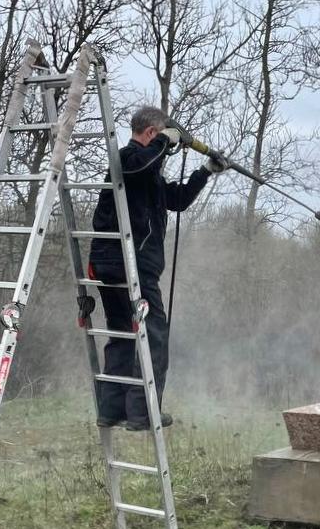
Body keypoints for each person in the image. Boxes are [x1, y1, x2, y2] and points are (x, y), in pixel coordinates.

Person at [86, 105, 227, 430]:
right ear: (151, 133)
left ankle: (113, 409)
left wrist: (205, 170)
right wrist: (168, 139)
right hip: (129, 264)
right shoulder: (128, 158)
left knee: (122, 333)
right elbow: (141, 165)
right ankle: (142, 413)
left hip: (117, 263)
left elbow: (175, 200)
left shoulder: (145, 169)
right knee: (154, 336)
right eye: (160, 136)